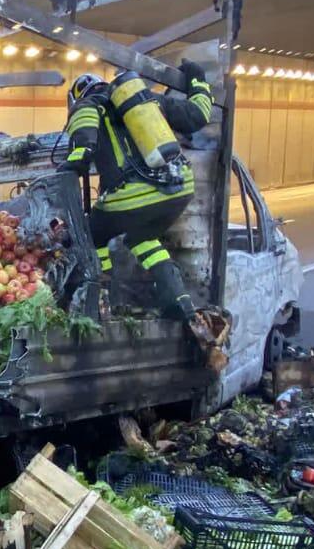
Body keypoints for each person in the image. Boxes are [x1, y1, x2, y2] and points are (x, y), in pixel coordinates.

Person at [63, 60, 224, 361]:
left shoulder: (89, 104)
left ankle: (100, 303)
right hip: (179, 188)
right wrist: (198, 81)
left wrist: (73, 163)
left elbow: (83, 140)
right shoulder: (143, 100)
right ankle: (179, 303)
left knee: (92, 234)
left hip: (135, 194)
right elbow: (198, 114)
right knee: (142, 239)